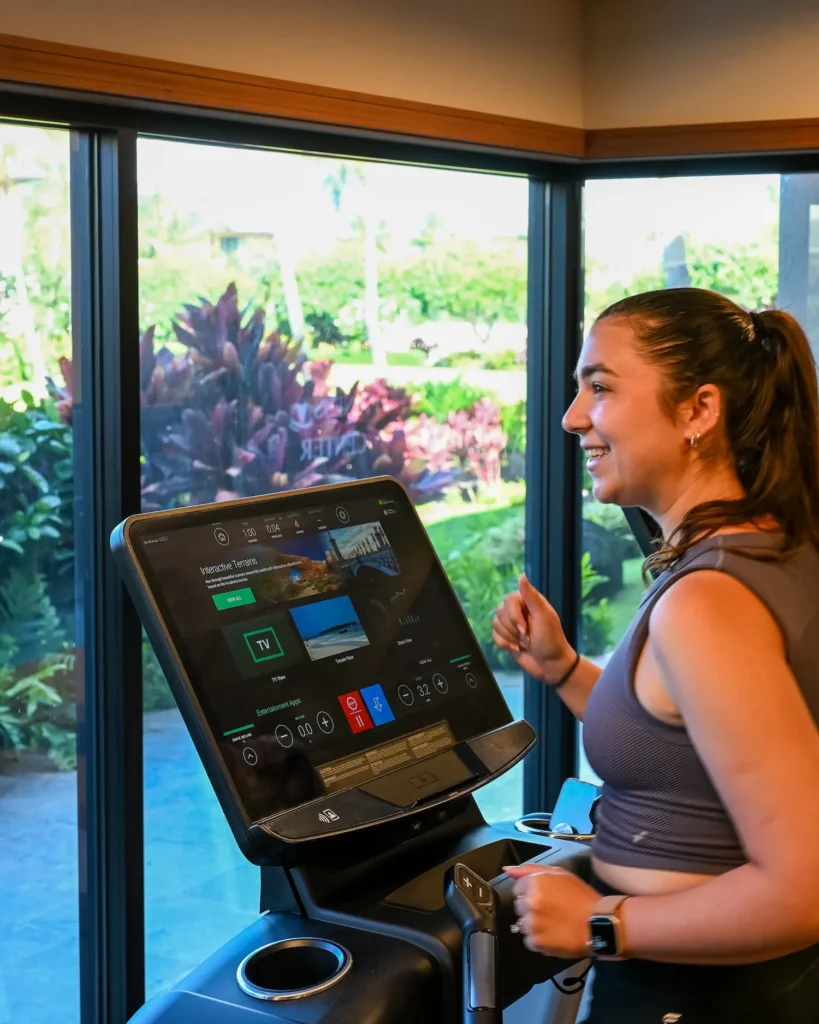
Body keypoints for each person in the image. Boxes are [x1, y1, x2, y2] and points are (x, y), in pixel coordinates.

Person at [493, 288, 819, 1023]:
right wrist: (565, 671)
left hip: (703, 995)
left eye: (599, 387)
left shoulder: (709, 601)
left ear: (698, 411)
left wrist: (599, 924)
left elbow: (804, 891)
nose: (573, 417)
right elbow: (690, 740)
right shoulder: (770, 548)